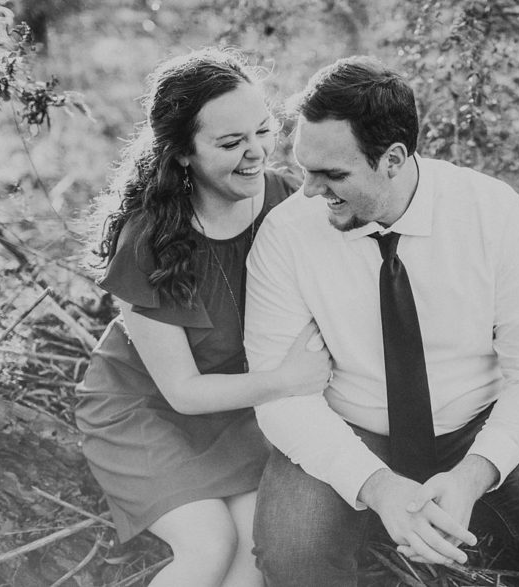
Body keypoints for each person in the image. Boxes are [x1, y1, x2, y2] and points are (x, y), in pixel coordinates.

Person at [245, 56, 519, 587]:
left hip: (478, 418)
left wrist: (473, 475)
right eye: (305, 167)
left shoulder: (493, 213)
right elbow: (279, 398)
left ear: (393, 158)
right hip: (350, 424)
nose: (309, 190)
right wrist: (375, 485)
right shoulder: (286, 235)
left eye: (333, 174)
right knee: (291, 549)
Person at [74, 47, 331, 587]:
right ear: (183, 154)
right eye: (231, 143)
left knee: (253, 554)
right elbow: (183, 392)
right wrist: (287, 380)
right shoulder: (150, 238)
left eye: (263, 130)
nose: (256, 152)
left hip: (238, 409)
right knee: (209, 544)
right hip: (148, 409)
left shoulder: (289, 202)